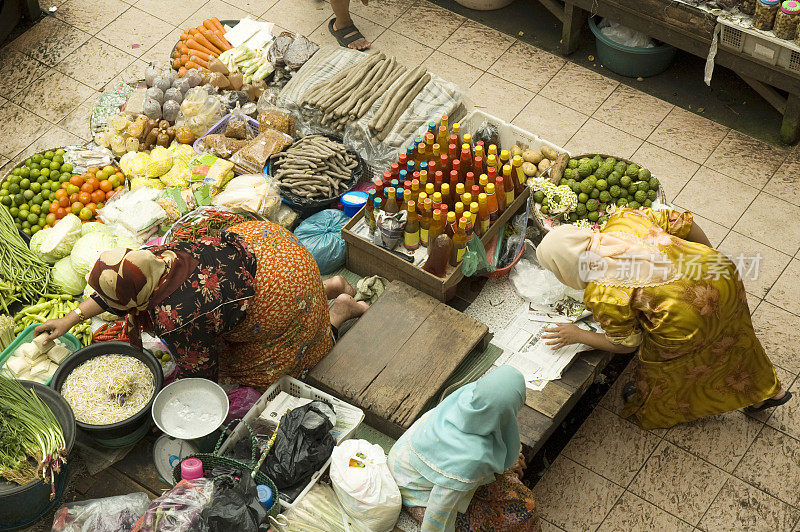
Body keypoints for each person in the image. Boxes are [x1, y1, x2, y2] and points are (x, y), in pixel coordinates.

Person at [536, 208, 790, 430]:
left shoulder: (602, 292)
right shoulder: (623, 220)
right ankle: (766, 391)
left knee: (668, 366)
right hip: (722, 277)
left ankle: (658, 407)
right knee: (733, 336)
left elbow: (626, 344)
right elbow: (685, 223)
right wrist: (708, 259)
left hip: (689, 320)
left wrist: (577, 335)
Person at [35, 220, 369, 388]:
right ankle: (326, 284)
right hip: (272, 249)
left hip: (282, 289)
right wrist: (70, 318)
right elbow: (113, 295)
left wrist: (176, 387)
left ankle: (339, 309)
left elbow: (201, 372)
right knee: (268, 294)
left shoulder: (174, 318)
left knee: (255, 369)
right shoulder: (152, 257)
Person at [388, 365, 538, 531]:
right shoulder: (470, 459)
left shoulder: (470, 396)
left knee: (517, 495)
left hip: (410, 454)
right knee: (522, 511)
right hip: (413, 487)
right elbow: (439, 512)